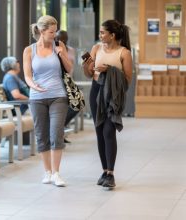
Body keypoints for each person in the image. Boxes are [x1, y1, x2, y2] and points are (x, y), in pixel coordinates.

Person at [23, 15, 73, 187]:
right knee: (41, 135)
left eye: (55, 31)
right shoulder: (29, 50)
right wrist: (33, 86)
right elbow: (28, 76)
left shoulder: (59, 46)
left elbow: (69, 69)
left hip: (58, 95)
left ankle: (57, 173)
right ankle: (47, 172)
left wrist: (61, 55)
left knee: (56, 133)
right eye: (51, 32)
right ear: (42, 31)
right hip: (37, 98)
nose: (54, 34)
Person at [82, 20, 132, 188]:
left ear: (113, 35)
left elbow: (127, 81)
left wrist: (109, 70)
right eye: (100, 32)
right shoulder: (96, 49)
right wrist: (87, 66)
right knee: (99, 132)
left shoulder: (124, 53)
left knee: (109, 132)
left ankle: (110, 173)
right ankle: (104, 170)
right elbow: (89, 75)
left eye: (103, 32)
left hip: (113, 95)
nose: (100, 35)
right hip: (96, 92)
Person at [56, 30, 80, 143]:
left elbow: (72, 66)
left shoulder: (71, 50)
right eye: (59, 38)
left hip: (69, 80)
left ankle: (60, 127)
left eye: (64, 38)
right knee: (61, 106)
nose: (62, 40)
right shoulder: (54, 49)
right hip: (58, 81)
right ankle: (59, 132)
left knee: (77, 104)